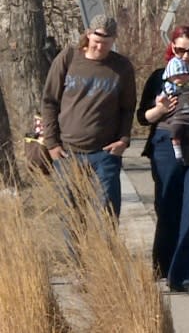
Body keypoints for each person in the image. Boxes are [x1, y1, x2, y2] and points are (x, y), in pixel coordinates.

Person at [137, 26, 189, 296]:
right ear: (172, 49)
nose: (186, 55)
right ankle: (166, 267)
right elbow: (141, 116)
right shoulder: (160, 76)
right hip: (165, 144)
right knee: (168, 207)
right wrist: (159, 109)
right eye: (180, 49)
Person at [41, 14, 136, 218]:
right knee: (71, 218)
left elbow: (128, 108)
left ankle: (104, 250)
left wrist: (123, 140)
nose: (100, 47)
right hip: (67, 153)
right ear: (88, 35)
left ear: (114, 41)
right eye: (96, 42)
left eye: (106, 43)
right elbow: (49, 101)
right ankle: (76, 252)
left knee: (107, 216)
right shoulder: (68, 57)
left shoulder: (122, 67)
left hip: (105, 153)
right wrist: (52, 143)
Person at [160, 56, 189, 166]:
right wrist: (161, 102)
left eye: (183, 74)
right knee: (175, 130)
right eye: (176, 76)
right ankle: (177, 149)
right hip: (177, 117)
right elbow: (160, 99)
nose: (180, 78)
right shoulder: (168, 89)